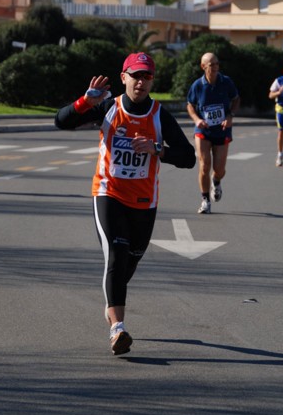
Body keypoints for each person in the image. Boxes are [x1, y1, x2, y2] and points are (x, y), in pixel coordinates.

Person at [55, 52, 196, 356]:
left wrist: (157, 148)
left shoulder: (160, 115)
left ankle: (112, 297)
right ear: (124, 78)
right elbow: (61, 121)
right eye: (135, 75)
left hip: (144, 202)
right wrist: (85, 102)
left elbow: (188, 157)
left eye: (147, 76)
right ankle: (117, 329)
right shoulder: (108, 106)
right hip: (109, 193)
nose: (141, 82)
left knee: (130, 261)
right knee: (117, 255)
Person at [187, 52, 240, 214]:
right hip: (203, 130)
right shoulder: (197, 85)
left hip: (223, 130)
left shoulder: (226, 82)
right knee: (204, 166)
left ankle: (216, 181)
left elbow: (236, 99)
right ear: (203, 67)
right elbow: (190, 105)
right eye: (212, 64)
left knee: (219, 169)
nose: (216, 67)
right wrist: (197, 119)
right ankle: (205, 200)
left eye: (217, 63)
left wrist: (230, 116)